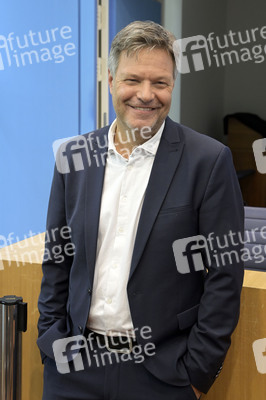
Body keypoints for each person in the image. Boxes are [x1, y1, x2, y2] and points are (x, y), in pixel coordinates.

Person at [37, 20, 244, 400]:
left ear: (172, 86)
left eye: (160, 83)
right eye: (133, 80)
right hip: (74, 369)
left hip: (163, 373)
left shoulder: (209, 160)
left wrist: (197, 372)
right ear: (112, 81)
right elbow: (58, 256)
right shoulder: (74, 156)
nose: (146, 95)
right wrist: (50, 342)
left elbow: (224, 274)